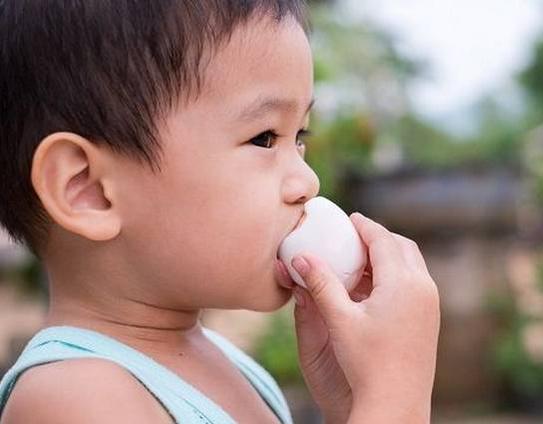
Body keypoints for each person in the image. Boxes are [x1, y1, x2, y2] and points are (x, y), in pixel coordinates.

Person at [0, 1, 441, 423]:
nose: (308, 182)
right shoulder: (73, 397)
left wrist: (354, 405)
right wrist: (395, 400)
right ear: (89, 190)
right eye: (265, 138)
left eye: (299, 135)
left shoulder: (227, 363)